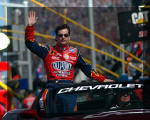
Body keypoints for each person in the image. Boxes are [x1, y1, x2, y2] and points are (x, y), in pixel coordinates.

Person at [25, 11, 114, 113]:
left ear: (69, 37)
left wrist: (102, 79)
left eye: (66, 35)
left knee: (69, 116)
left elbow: (87, 69)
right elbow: (30, 44)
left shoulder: (75, 52)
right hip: (52, 88)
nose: (63, 37)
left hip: (68, 88)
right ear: (56, 37)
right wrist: (30, 26)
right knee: (47, 114)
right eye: (60, 35)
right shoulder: (48, 51)